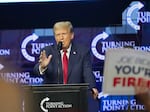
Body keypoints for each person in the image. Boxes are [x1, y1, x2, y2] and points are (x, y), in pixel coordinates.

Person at [33, 21, 99, 110]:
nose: (61, 38)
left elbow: (87, 71)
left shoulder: (82, 52)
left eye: (64, 34)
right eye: (58, 35)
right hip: (52, 101)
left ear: (72, 35)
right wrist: (42, 67)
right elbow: (36, 70)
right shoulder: (48, 51)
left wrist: (92, 87)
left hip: (75, 100)